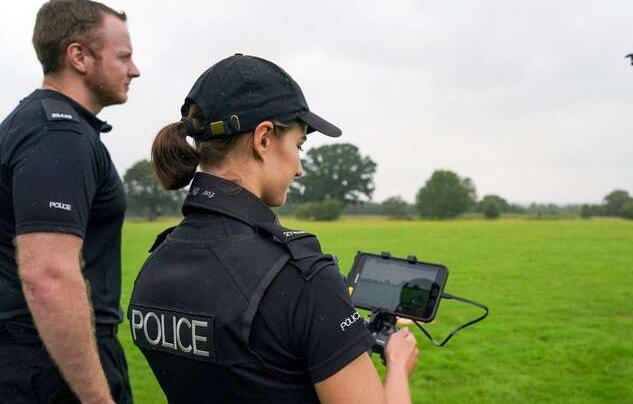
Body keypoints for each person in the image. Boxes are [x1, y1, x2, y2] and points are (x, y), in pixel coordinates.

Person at [129, 54, 419, 403]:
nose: (299, 169)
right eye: (298, 146)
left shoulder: (156, 266)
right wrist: (398, 364)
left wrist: (333, 323)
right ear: (264, 138)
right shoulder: (303, 277)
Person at [0, 0, 140, 403]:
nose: (134, 69)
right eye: (124, 56)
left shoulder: (35, 123)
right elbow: (48, 275)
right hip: (50, 371)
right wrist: (97, 398)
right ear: (79, 56)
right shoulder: (58, 136)